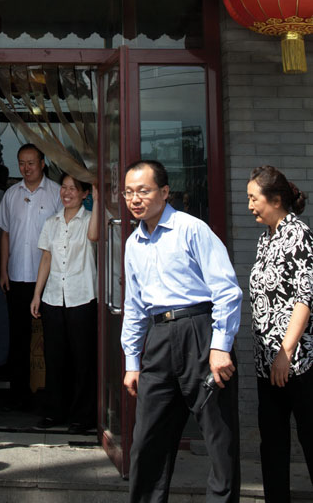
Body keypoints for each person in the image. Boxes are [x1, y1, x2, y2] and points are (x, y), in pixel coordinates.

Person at [121, 159, 242, 503]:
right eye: (129, 192)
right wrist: (132, 361)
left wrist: (220, 346)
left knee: (219, 437)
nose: (135, 199)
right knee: (147, 439)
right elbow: (134, 306)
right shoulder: (133, 244)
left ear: (164, 192)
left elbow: (226, 290)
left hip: (200, 334)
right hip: (158, 341)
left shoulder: (192, 229)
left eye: (143, 191)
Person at [247, 164, 313, 503]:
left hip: (297, 363)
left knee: (309, 437)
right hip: (266, 363)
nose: (249, 206)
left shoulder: (297, 234)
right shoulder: (265, 239)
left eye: (253, 198)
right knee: (271, 443)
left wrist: (285, 353)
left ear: (274, 199)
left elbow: (305, 297)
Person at [30, 174, 98, 433]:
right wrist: (37, 294)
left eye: (73, 189)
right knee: (55, 358)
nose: (67, 193)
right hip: (53, 298)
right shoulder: (52, 223)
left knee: (82, 360)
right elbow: (46, 259)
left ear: (84, 194)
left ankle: (83, 416)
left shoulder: (90, 220)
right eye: (64, 188)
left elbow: (93, 237)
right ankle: (54, 412)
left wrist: (99, 196)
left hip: (82, 296)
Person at [0, 144, 61, 410]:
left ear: (43, 163)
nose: (26, 168)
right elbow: (5, 235)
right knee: (19, 338)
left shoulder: (57, 192)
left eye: (31, 163)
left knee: (51, 338)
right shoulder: (11, 194)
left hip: (48, 278)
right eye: (22, 163)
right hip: (17, 275)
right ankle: (19, 395)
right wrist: (3, 270)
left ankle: (51, 394)